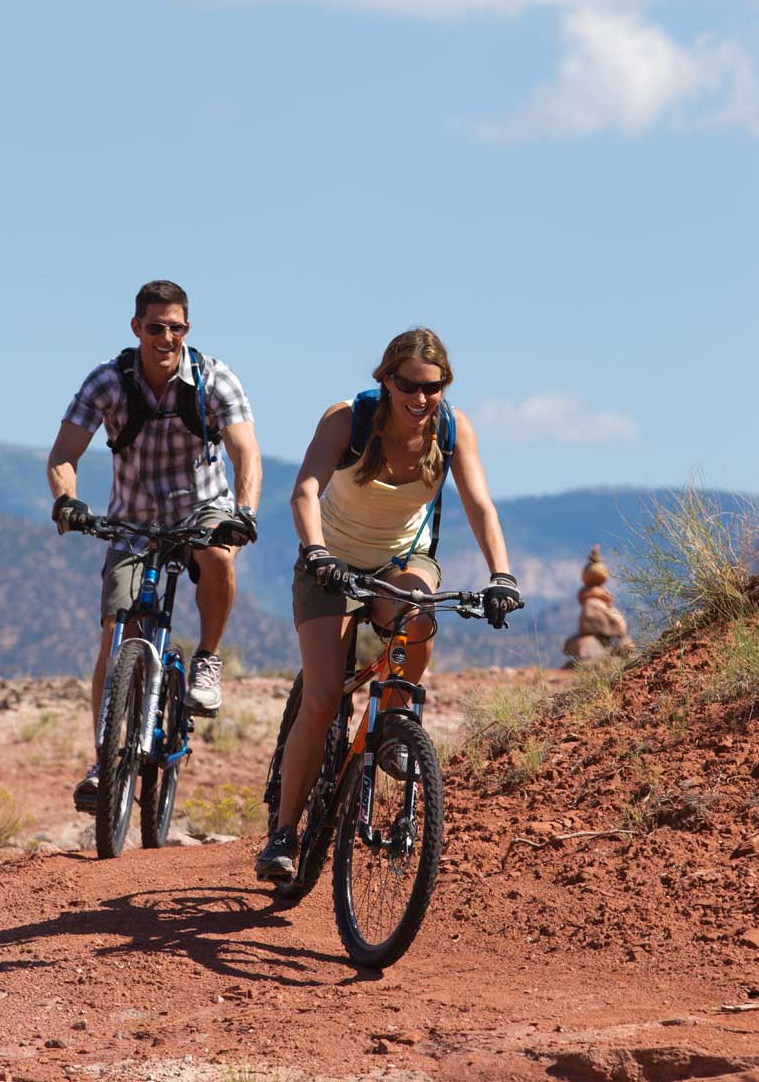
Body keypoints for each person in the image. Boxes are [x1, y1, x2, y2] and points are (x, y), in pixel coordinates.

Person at [255, 327, 521, 880]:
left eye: (434, 387)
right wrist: (318, 552)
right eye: (409, 386)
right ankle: (283, 834)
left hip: (401, 560)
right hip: (330, 560)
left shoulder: (451, 429)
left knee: (419, 614)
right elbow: (304, 489)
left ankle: (396, 721)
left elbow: (479, 504)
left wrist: (501, 573)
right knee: (324, 694)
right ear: (386, 379)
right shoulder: (347, 419)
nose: (422, 399)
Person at [47, 280, 262, 812]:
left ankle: (207, 660)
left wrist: (244, 513)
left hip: (201, 510)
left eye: (176, 327)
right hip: (133, 520)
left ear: (187, 329)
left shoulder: (214, 379)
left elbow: (245, 453)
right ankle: (104, 760)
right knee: (115, 635)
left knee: (216, 555)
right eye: (155, 327)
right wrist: (67, 501)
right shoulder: (107, 381)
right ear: (136, 328)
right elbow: (63, 454)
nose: (166, 337)